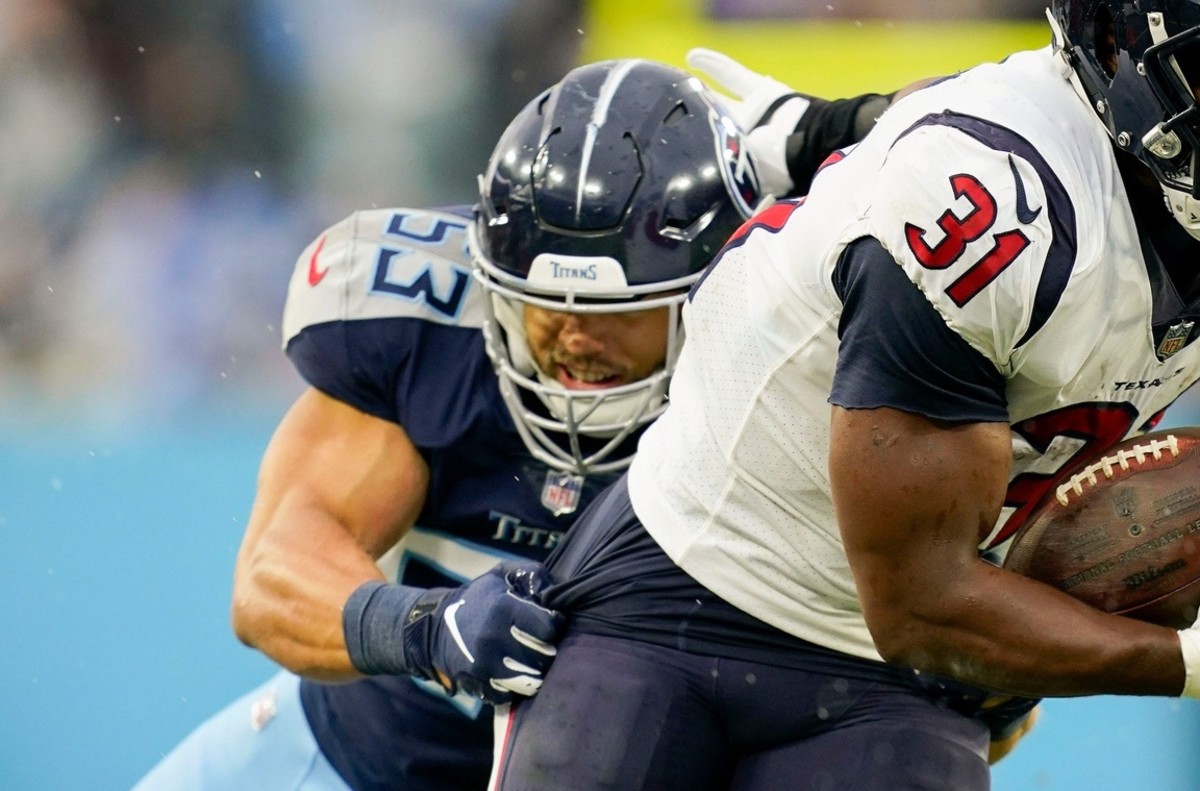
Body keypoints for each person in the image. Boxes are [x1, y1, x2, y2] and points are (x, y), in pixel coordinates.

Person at [132, 55, 903, 791]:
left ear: (710, 286)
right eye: (546, 303)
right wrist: (423, 628)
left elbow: (1012, 133)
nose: (574, 336)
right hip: (354, 762)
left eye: (614, 310)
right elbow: (271, 577)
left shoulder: (791, 369)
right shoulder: (421, 331)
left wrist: (858, 126)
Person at [489, 3, 1200, 789]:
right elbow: (921, 603)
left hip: (889, 666)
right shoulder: (998, 207)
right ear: (1114, 49)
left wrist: (819, 125)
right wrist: (1182, 661)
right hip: (683, 582)